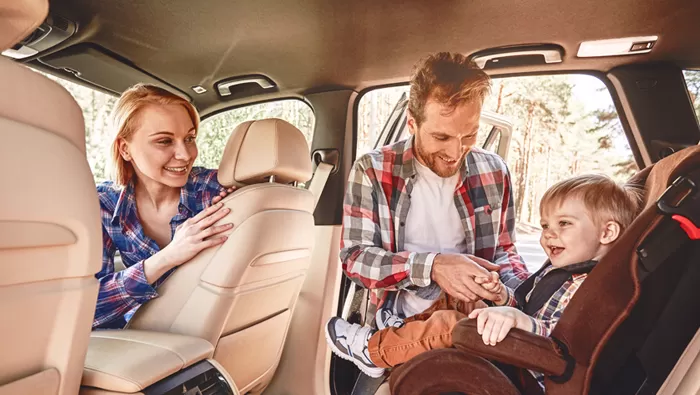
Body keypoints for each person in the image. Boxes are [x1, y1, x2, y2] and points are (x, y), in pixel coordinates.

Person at [326, 174, 642, 388]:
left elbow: (561, 347)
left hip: (531, 371)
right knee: (465, 292)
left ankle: (374, 351)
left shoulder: (587, 288)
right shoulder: (566, 268)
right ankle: (401, 334)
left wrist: (518, 320)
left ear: (607, 233)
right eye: (545, 225)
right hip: (524, 343)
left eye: (564, 224)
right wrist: (503, 296)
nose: (548, 234)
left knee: (454, 323)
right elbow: (531, 304)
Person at [331, 52, 530, 379]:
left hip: (476, 324)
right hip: (399, 326)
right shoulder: (373, 170)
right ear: (412, 122)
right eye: (441, 137)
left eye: (469, 136)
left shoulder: (494, 170)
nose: (455, 152)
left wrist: (510, 295)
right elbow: (354, 258)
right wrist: (434, 266)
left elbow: (505, 251)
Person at [93, 84, 235, 329]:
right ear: (125, 149)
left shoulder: (215, 192)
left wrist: (241, 196)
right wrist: (166, 258)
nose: (185, 154)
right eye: (164, 141)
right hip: (142, 336)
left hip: (202, 334)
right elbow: (89, 308)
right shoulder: (105, 203)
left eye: (189, 138)